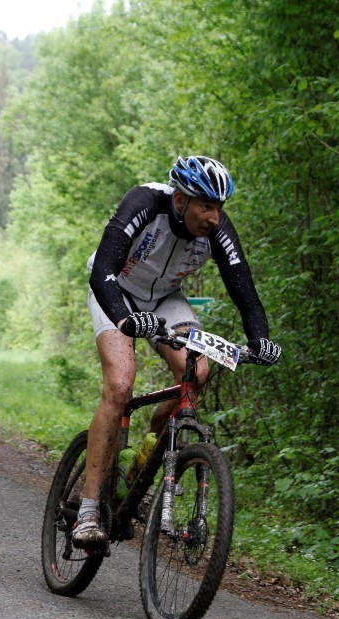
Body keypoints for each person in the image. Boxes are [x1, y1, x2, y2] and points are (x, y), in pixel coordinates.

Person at [75, 155, 282, 548]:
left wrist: (260, 339)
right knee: (120, 385)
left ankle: (144, 462)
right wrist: (124, 320)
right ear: (181, 199)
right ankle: (87, 510)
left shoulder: (217, 232)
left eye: (219, 207)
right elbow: (102, 268)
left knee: (196, 374)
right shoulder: (145, 202)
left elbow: (246, 294)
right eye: (206, 205)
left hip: (165, 299)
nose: (214, 217)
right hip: (113, 289)